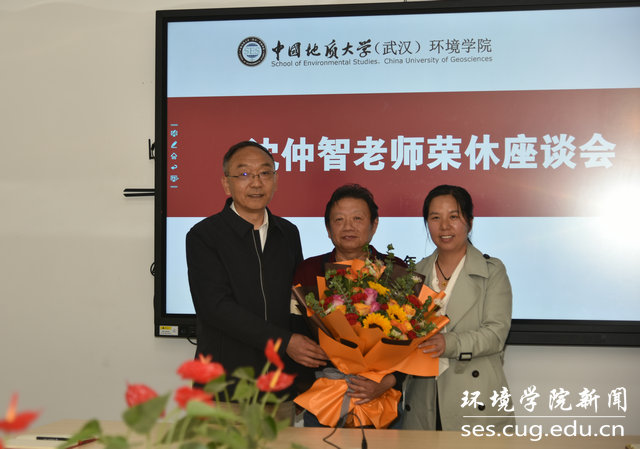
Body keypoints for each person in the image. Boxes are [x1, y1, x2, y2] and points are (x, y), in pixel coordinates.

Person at [186, 141, 328, 400]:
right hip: (225, 388)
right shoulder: (204, 236)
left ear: (276, 180)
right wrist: (284, 342)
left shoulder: (287, 233)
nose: (256, 183)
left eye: (264, 173)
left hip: (279, 387)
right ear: (226, 184)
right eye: (244, 174)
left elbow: (295, 301)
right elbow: (215, 307)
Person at [402, 184, 515, 431]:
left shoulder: (492, 271)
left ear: (470, 222)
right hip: (423, 398)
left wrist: (449, 343)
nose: (444, 226)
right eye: (435, 218)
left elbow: (496, 335)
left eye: (454, 217)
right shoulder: (414, 274)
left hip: (474, 396)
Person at [293, 183, 406, 427]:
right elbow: (295, 330)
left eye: (357, 218)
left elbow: (411, 340)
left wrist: (388, 380)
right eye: (339, 220)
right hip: (324, 397)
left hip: (382, 398)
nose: (348, 227)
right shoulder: (308, 271)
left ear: (374, 225)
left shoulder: (395, 270)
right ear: (328, 228)